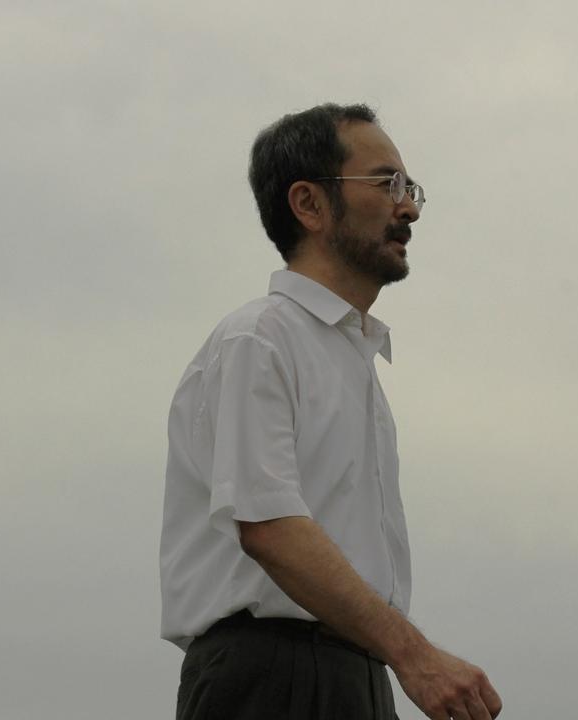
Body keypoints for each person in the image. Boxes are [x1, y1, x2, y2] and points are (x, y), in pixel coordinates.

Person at [160, 103, 503, 720]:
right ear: (309, 204)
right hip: (273, 678)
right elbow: (269, 526)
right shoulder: (259, 339)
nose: (409, 207)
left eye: (410, 187)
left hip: (358, 674)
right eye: (386, 183)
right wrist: (417, 657)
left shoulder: (352, 361)